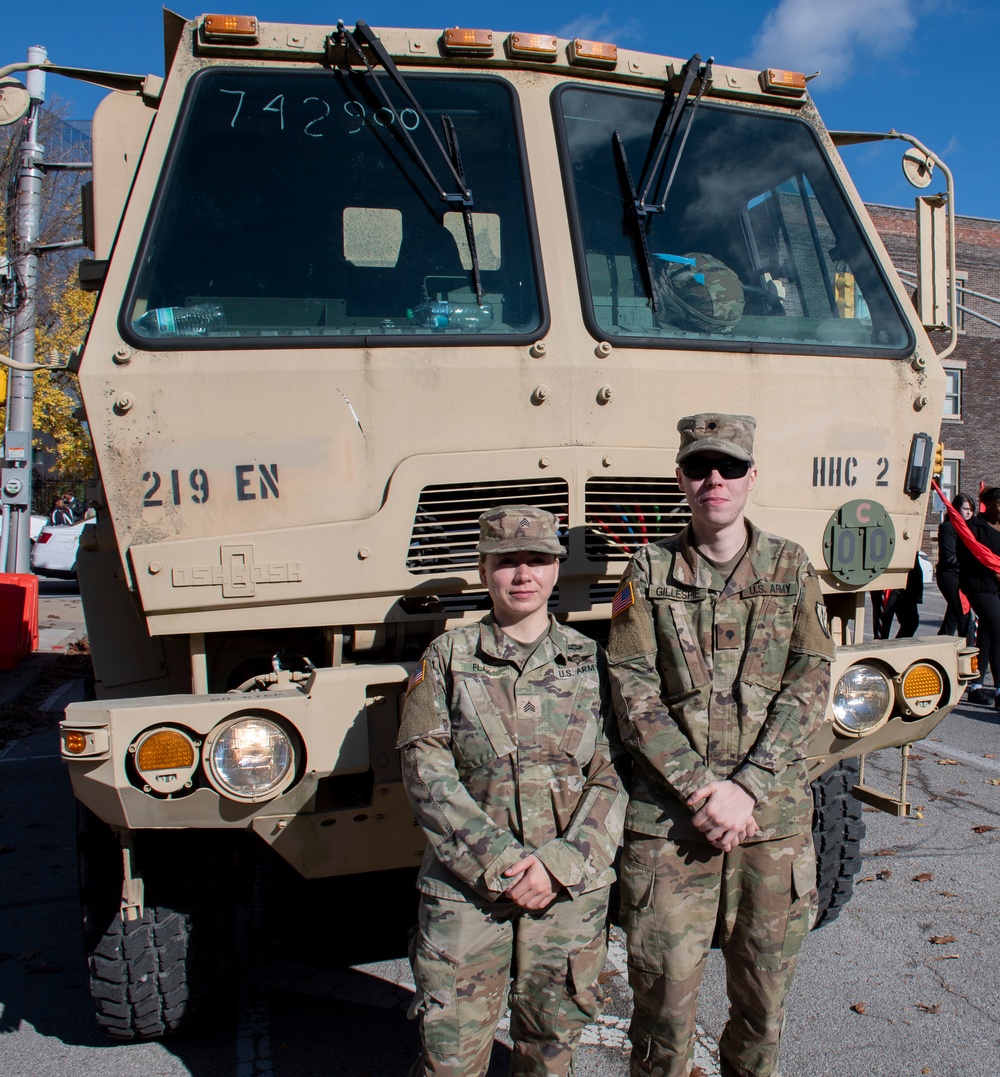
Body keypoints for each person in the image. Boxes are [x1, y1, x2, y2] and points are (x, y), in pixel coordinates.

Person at [606, 413, 834, 1077]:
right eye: (701, 466)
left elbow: (810, 679)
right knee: (662, 1016)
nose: (715, 479)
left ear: (751, 477)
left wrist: (747, 787)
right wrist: (705, 789)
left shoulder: (790, 566)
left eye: (729, 467)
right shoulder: (648, 570)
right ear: (681, 478)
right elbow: (632, 691)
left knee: (763, 1010)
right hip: (672, 823)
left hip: (771, 826)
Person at [398, 505, 627, 1077]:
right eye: (506, 562)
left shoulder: (591, 663)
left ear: (555, 570)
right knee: (449, 1058)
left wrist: (559, 865)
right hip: (468, 890)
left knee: (550, 1054)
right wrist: (500, 863)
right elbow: (427, 771)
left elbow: (616, 772)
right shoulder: (447, 658)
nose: (522, 575)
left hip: (567, 891)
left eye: (537, 560)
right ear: (483, 570)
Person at [957, 487, 1000, 707]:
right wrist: (992, 571)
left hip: (997, 588)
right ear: (991, 505)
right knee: (997, 630)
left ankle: (976, 686)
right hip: (981, 586)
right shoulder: (974, 528)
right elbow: (965, 558)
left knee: (987, 636)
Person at [937, 493, 976, 643]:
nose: (968, 512)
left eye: (971, 510)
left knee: (952, 617)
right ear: (956, 509)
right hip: (950, 575)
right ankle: (969, 653)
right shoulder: (948, 527)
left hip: (964, 575)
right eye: (965, 508)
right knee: (964, 615)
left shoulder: (971, 528)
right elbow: (949, 557)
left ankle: (939, 646)